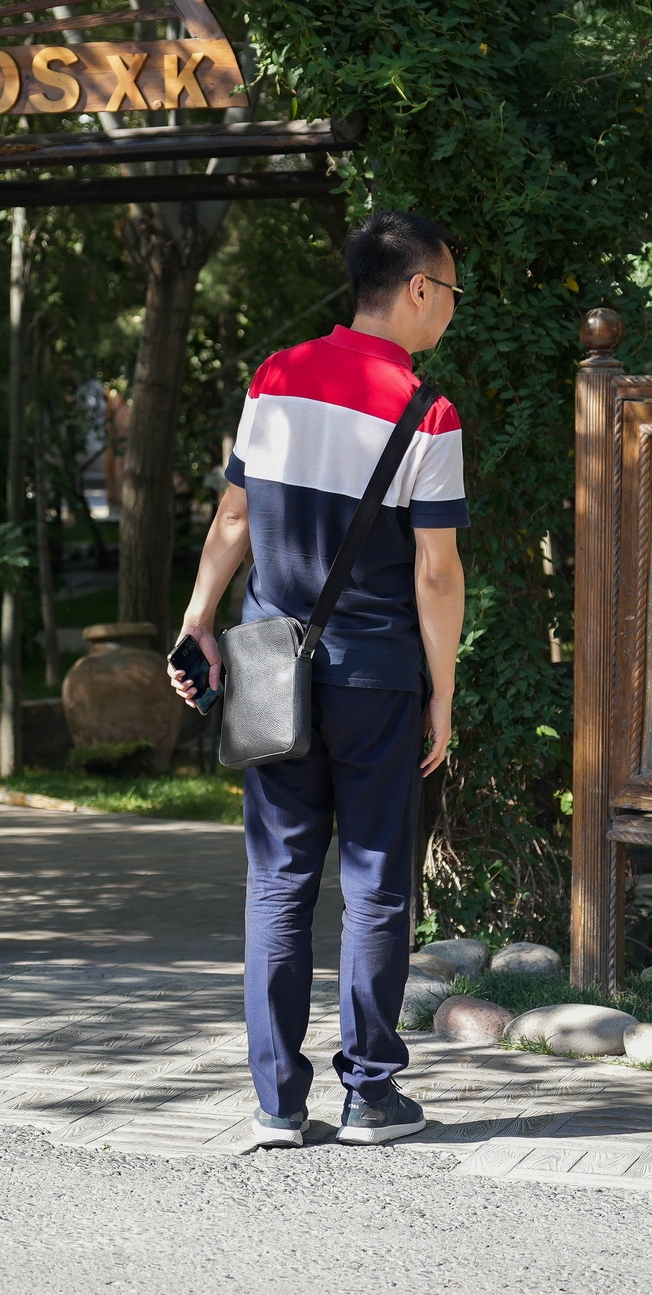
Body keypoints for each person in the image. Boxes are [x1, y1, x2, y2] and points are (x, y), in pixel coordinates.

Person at [171, 211, 466, 1149]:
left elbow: (234, 518)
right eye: (451, 291)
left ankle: (277, 1102)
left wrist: (197, 619)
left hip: (270, 668)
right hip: (377, 677)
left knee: (279, 879)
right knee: (375, 882)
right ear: (417, 287)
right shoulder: (429, 412)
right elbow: (436, 573)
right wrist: (443, 689)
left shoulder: (276, 377)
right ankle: (371, 1094)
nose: (451, 309)